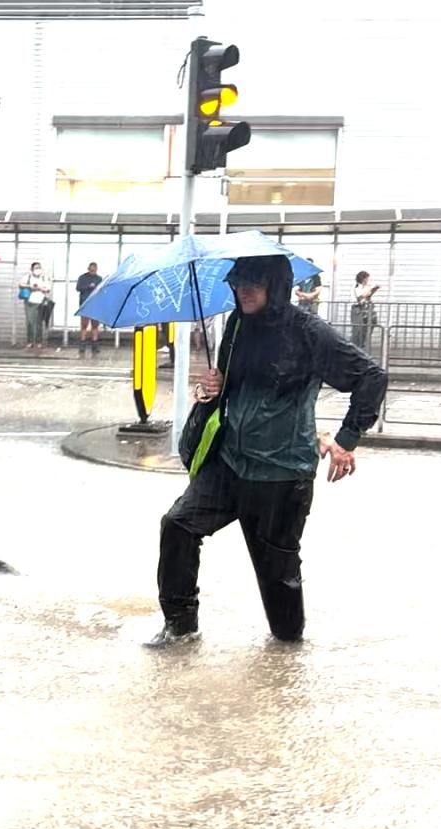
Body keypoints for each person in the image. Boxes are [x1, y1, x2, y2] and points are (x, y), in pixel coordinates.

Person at [148, 255, 387, 648]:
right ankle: (179, 628)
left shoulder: (309, 332)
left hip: (281, 474)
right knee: (177, 525)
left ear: (274, 287)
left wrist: (345, 439)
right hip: (228, 465)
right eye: (240, 282)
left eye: (254, 283)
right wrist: (210, 387)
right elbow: (225, 389)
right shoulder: (237, 326)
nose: (244, 290)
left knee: (277, 579)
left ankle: (288, 651)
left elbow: (371, 377)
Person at [75, 261, 103, 357]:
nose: (92, 272)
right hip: (85, 304)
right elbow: (78, 288)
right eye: (91, 270)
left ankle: (94, 344)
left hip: (96, 305)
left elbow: (102, 291)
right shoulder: (82, 278)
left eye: (94, 270)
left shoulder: (99, 279)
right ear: (88, 269)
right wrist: (88, 286)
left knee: (95, 325)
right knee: (84, 325)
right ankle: (82, 344)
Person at [22, 261, 51, 350]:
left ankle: (39, 341)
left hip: (40, 302)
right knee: (30, 322)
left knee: (39, 323)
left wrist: (40, 288)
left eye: (39, 268)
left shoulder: (44, 277)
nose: (38, 270)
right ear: (32, 269)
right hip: (29, 302)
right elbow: (20, 284)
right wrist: (30, 286)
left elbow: (48, 289)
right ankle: (29, 341)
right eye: (36, 268)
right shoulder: (27, 277)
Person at [351, 270, 381, 351]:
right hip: (357, 309)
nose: (368, 280)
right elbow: (361, 296)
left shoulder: (365, 287)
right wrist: (371, 288)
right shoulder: (357, 286)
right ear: (363, 279)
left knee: (366, 329)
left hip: (365, 309)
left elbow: (368, 296)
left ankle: (361, 347)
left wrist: (374, 289)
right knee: (357, 330)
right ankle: (354, 348)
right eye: (367, 278)